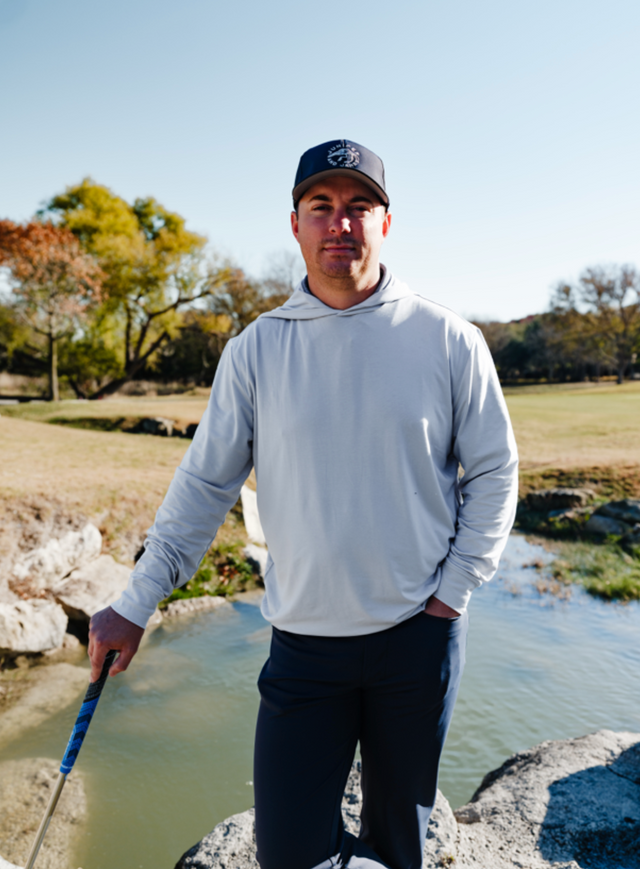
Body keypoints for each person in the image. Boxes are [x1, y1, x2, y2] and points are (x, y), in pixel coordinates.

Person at [89, 139, 519, 869]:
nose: (340, 223)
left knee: (400, 844)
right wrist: (136, 601)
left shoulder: (449, 340)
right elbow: (204, 487)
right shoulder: (257, 350)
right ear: (296, 225)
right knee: (289, 852)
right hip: (304, 648)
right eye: (322, 207)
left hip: (418, 638)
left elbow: (495, 472)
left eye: (359, 206)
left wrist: (452, 593)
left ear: (387, 221)